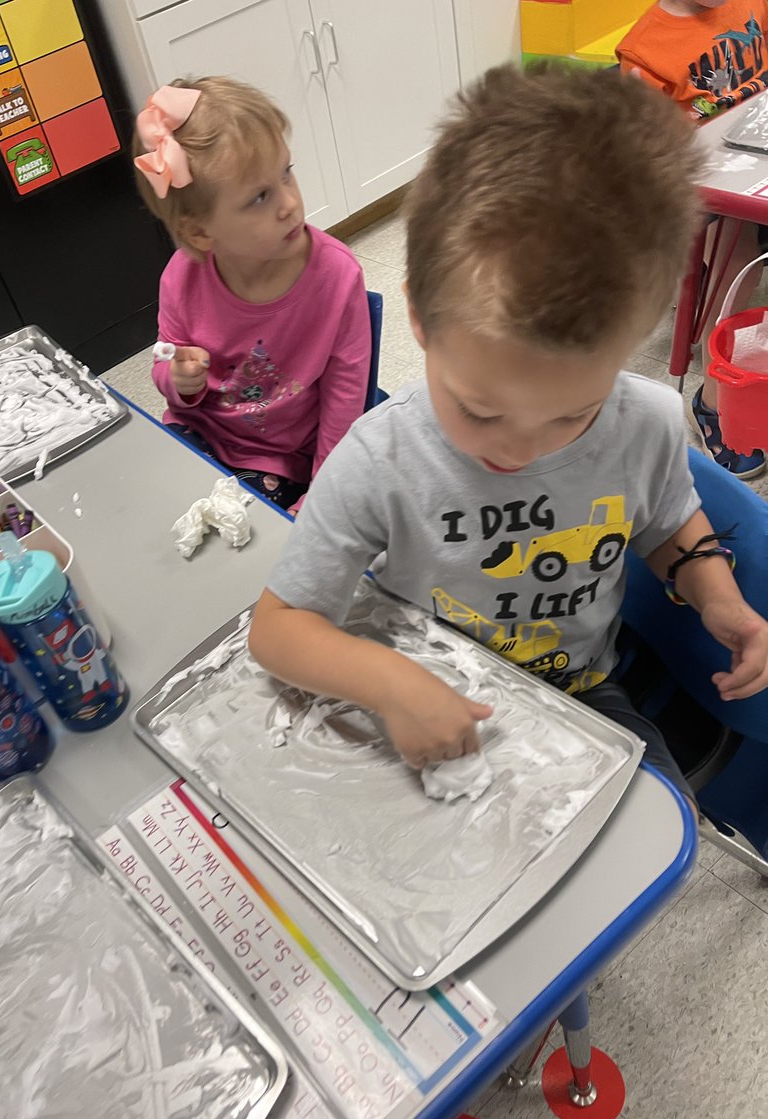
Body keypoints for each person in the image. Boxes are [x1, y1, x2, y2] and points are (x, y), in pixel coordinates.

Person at [248, 63, 768, 805]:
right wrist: (393, 684)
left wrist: (713, 592)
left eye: (571, 414)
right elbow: (278, 631)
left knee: (645, 827)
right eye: (481, 410)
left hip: (581, 697)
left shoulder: (644, 423)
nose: (519, 451)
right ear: (421, 324)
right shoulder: (380, 459)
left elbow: (665, 522)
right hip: (421, 692)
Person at [133, 76, 370, 512]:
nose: (289, 203)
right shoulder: (181, 278)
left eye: (286, 173)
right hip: (198, 432)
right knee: (154, 506)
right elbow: (166, 366)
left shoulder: (336, 277)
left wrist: (323, 493)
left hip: (276, 458)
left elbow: (345, 399)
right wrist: (179, 381)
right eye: (260, 196)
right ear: (200, 231)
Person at [618, 0, 768, 479]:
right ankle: (712, 397)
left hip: (753, 150)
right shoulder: (645, 51)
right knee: (733, 251)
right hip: (696, 187)